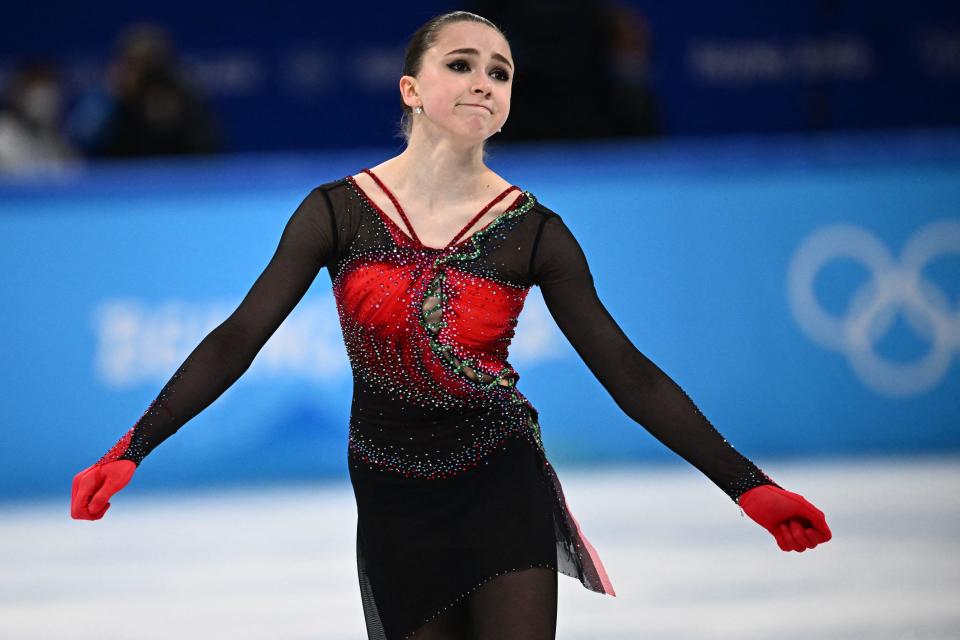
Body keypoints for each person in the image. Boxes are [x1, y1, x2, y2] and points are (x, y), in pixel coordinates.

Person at [71, 11, 832, 640]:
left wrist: (748, 487)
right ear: (412, 87)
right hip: (390, 489)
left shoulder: (533, 230)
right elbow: (238, 337)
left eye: (500, 72)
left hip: (501, 477)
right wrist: (133, 446)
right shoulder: (337, 211)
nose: (483, 82)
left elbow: (625, 371)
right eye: (462, 64)